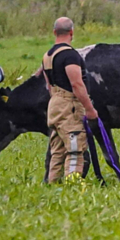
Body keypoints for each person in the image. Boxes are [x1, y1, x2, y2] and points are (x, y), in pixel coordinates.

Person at [42, 17, 99, 183]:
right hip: (69, 105)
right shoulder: (70, 56)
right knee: (75, 150)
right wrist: (89, 109)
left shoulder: (47, 56)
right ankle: (72, 185)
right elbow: (76, 84)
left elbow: (48, 85)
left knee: (57, 151)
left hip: (54, 104)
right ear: (72, 33)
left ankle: (53, 184)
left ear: (54, 32)